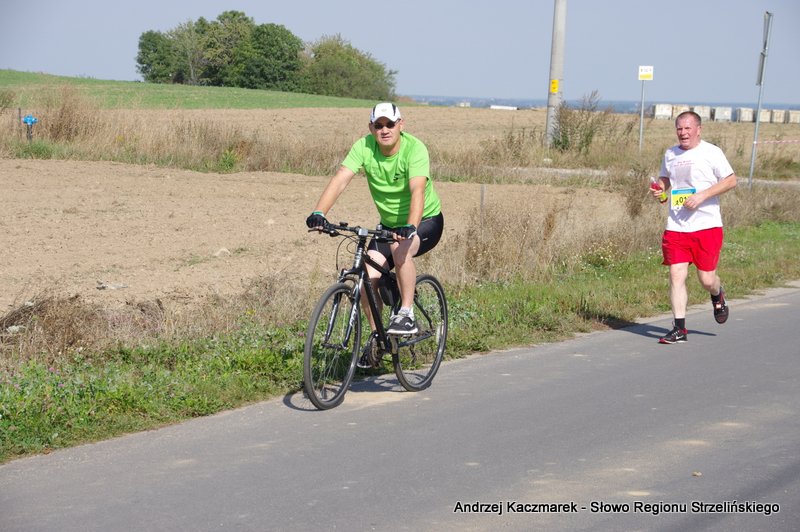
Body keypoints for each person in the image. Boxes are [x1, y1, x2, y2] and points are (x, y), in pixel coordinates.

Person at [306, 102, 444, 365]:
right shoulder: (364, 147)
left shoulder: (414, 149)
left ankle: (406, 313)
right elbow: (341, 178)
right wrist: (319, 212)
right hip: (389, 226)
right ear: (371, 128)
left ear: (401, 125)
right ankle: (377, 338)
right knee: (366, 281)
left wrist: (410, 227)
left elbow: (417, 191)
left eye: (390, 124)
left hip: (425, 221)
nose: (384, 130)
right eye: (378, 125)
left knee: (400, 251)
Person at [651, 110, 737, 344]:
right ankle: (679, 329)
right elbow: (666, 178)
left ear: (698, 129)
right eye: (679, 128)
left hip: (706, 226)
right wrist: (660, 188)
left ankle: (717, 293)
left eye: (688, 128)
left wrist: (702, 195)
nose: (683, 133)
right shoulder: (670, 153)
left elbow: (731, 180)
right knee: (676, 274)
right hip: (676, 226)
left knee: (707, 280)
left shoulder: (711, 152)